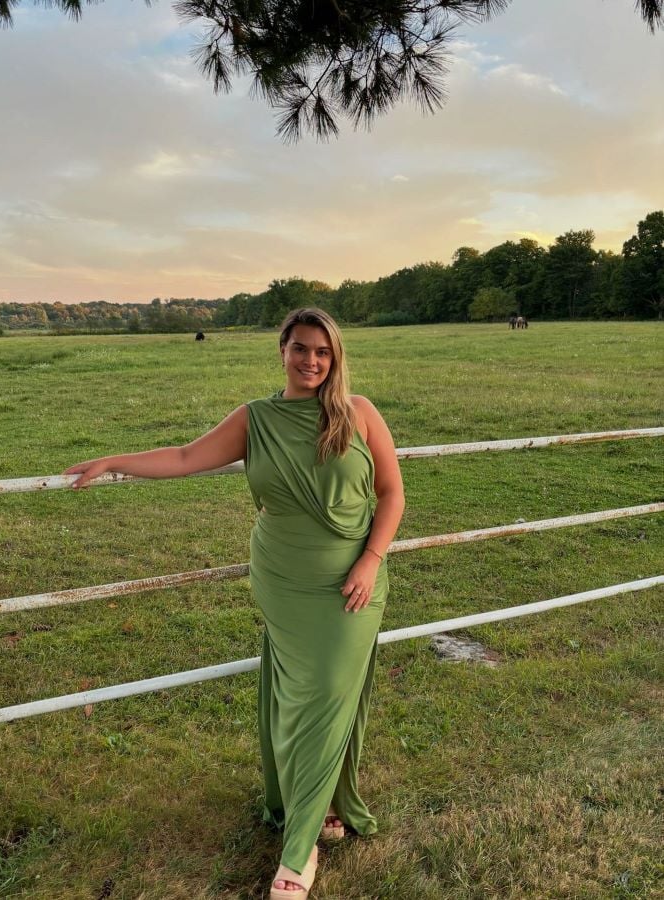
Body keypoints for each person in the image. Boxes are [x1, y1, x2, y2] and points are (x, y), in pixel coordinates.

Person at [64, 308, 405, 899]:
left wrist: (372, 558)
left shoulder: (359, 413)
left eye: (322, 352)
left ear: (336, 356)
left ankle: (297, 856)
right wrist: (114, 461)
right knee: (299, 699)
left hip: (352, 579)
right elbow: (183, 457)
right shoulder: (256, 419)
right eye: (300, 349)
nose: (311, 361)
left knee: (326, 696)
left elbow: (393, 491)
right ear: (282, 351)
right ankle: (313, 810)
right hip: (283, 576)